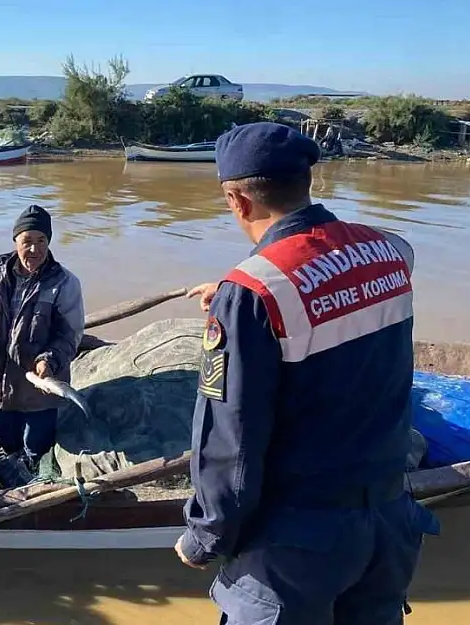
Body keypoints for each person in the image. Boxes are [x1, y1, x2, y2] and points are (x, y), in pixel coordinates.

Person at [174, 122, 440, 625]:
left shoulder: (253, 291)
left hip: (297, 544)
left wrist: (206, 535)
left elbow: (231, 438)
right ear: (305, 182)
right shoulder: (389, 254)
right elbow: (346, 270)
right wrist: (238, 295)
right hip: (387, 519)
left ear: (237, 200)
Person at [0, 204, 85, 485]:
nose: (34, 249)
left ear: (49, 242)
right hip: (0, 380)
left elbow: (70, 333)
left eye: (41, 241)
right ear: (15, 242)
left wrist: (50, 360)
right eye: (27, 241)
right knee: (1, 435)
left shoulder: (64, 282)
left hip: (41, 387)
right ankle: (9, 470)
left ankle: (32, 477)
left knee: (37, 444)